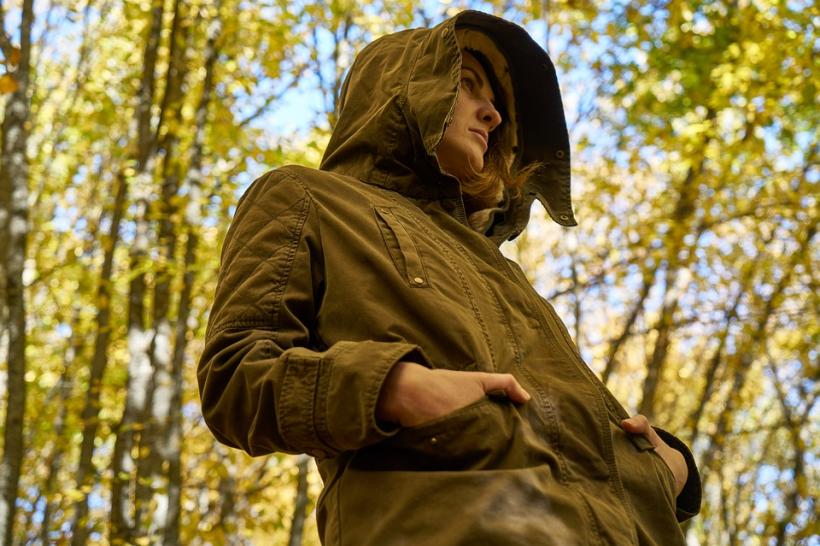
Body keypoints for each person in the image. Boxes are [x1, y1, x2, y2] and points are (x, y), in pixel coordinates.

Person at [197, 10, 701, 546]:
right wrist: (394, 388)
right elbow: (235, 379)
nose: (492, 114)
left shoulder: (502, 270)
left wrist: (671, 468)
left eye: (496, 103)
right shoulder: (306, 198)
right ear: (403, 89)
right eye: (466, 85)